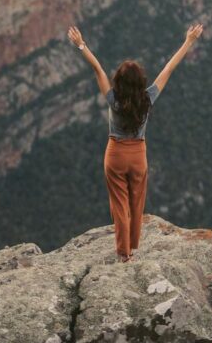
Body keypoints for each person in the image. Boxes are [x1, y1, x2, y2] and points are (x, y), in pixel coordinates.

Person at [67, 23, 204, 262]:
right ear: (141, 82)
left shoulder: (113, 100)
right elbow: (169, 69)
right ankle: (134, 244)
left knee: (120, 204)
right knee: (137, 200)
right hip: (138, 155)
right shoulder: (148, 99)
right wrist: (188, 42)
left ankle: (123, 253)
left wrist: (81, 44)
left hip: (115, 155)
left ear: (118, 81)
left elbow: (98, 69)